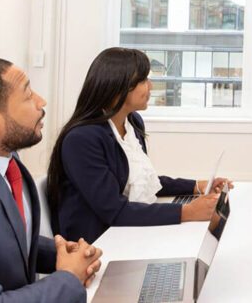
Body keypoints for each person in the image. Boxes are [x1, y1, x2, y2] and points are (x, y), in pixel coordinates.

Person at [0, 56, 102, 302]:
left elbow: (3, 243)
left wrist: (63, 254)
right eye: (28, 94)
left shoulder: (5, 155)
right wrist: (68, 278)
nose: (41, 101)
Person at [47, 48, 231, 244]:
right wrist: (187, 212)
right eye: (143, 80)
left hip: (126, 227)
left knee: (215, 217)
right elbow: (113, 210)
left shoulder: (132, 122)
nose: (150, 86)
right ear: (118, 88)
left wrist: (195, 186)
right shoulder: (81, 140)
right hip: (98, 241)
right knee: (206, 225)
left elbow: (142, 181)